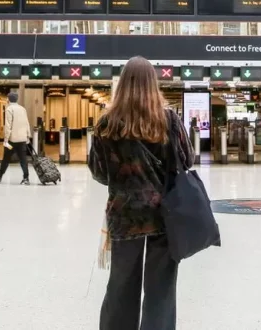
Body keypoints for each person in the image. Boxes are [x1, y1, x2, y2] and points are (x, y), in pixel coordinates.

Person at [89, 56, 194, 330]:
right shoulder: (168, 119)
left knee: (121, 283)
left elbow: (99, 173)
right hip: (164, 214)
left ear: (122, 84)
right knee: (161, 287)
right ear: (153, 83)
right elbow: (188, 160)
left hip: (124, 214)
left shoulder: (105, 123)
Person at [0, 92, 31, 185]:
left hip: (12, 141)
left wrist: (6, 139)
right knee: (23, 159)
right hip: (22, 139)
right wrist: (28, 135)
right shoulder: (22, 109)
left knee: (6, 158)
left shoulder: (9, 109)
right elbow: (26, 122)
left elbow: (8, 125)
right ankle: (26, 178)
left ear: (9, 99)